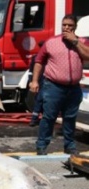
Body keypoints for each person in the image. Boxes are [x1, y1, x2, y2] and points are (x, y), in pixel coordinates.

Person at [29, 14, 89, 156]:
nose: (66, 28)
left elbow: (87, 56)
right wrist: (35, 81)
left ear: (75, 27)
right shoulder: (51, 42)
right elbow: (39, 61)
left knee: (70, 118)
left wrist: (75, 42)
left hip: (73, 88)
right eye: (64, 25)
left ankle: (69, 145)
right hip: (53, 86)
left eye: (70, 25)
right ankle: (42, 145)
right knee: (49, 117)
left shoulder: (82, 42)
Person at [28, 40, 45, 127]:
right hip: (40, 80)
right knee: (39, 99)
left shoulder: (49, 57)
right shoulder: (36, 57)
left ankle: (36, 118)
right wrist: (31, 81)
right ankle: (34, 119)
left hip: (45, 80)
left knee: (41, 99)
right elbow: (31, 71)